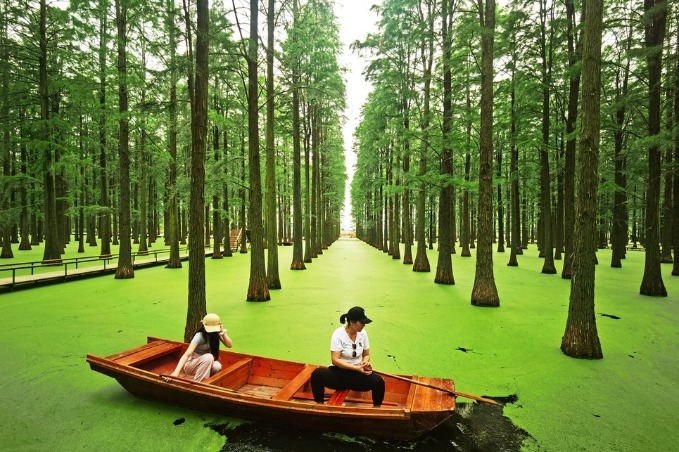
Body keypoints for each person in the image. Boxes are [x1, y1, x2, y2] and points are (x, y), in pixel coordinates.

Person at [310, 306, 385, 407]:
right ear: (352, 322)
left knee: (379, 382)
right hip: (339, 374)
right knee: (317, 374)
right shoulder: (338, 334)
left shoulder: (363, 334)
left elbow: (366, 354)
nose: (364, 325)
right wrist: (356, 368)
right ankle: (319, 405)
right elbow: (335, 360)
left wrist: (365, 362)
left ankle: (377, 409)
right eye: (361, 322)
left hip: (356, 375)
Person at [166, 313, 233, 382]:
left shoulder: (215, 334)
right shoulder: (199, 336)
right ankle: (198, 383)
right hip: (191, 365)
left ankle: (207, 381)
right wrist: (176, 372)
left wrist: (223, 332)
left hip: (206, 364)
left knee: (217, 366)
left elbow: (229, 345)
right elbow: (187, 354)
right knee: (209, 357)